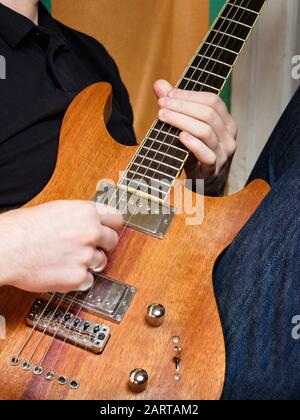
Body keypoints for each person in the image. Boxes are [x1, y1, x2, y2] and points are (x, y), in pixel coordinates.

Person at [1, 0, 298, 400]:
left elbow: (135, 211)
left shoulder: (89, 57)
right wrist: (11, 244)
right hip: (22, 349)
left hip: (168, 336)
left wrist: (204, 177)